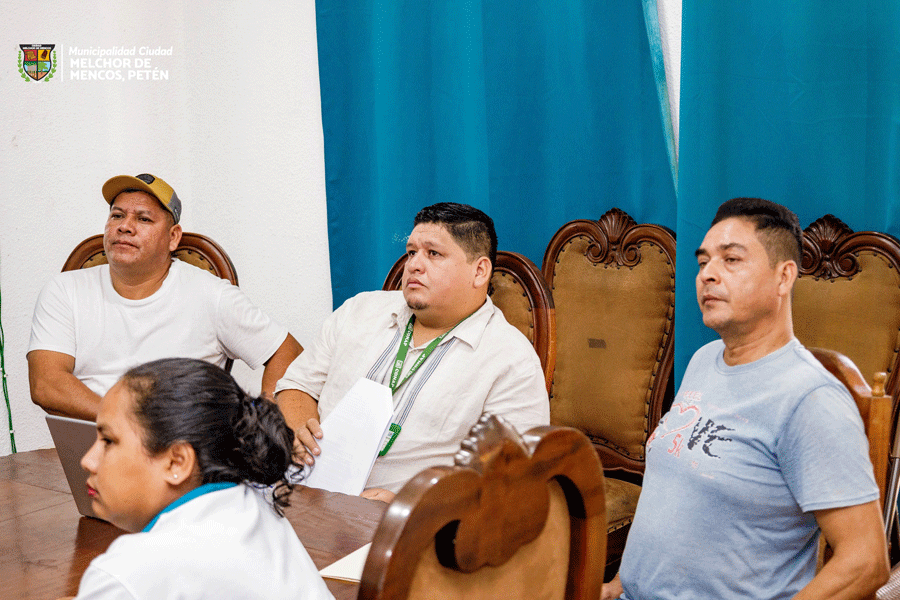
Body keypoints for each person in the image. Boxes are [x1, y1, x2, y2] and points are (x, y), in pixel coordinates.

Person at [602, 198, 889, 600]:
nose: (707, 274)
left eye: (731, 260)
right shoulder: (704, 360)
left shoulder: (811, 400)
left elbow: (866, 561)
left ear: (784, 276)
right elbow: (671, 502)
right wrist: (618, 585)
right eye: (703, 262)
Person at [275, 202, 549, 502]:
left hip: (408, 521)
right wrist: (298, 427)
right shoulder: (358, 311)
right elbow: (297, 384)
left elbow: (511, 481)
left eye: (434, 254)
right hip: (302, 492)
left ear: (479, 271)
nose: (414, 265)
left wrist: (407, 504)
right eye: (411, 252)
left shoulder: (511, 360)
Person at [28, 173, 301, 421]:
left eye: (143, 219)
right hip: (93, 440)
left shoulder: (211, 295)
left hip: (179, 446)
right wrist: (126, 424)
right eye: (117, 215)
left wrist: (265, 421)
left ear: (173, 237)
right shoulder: (64, 290)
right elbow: (45, 385)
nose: (125, 226)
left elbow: (286, 351)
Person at [70, 358, 333, 600]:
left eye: (108, 441)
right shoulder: (259, 511)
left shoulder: (126, 575)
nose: (88, 461)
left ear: (177, 462)